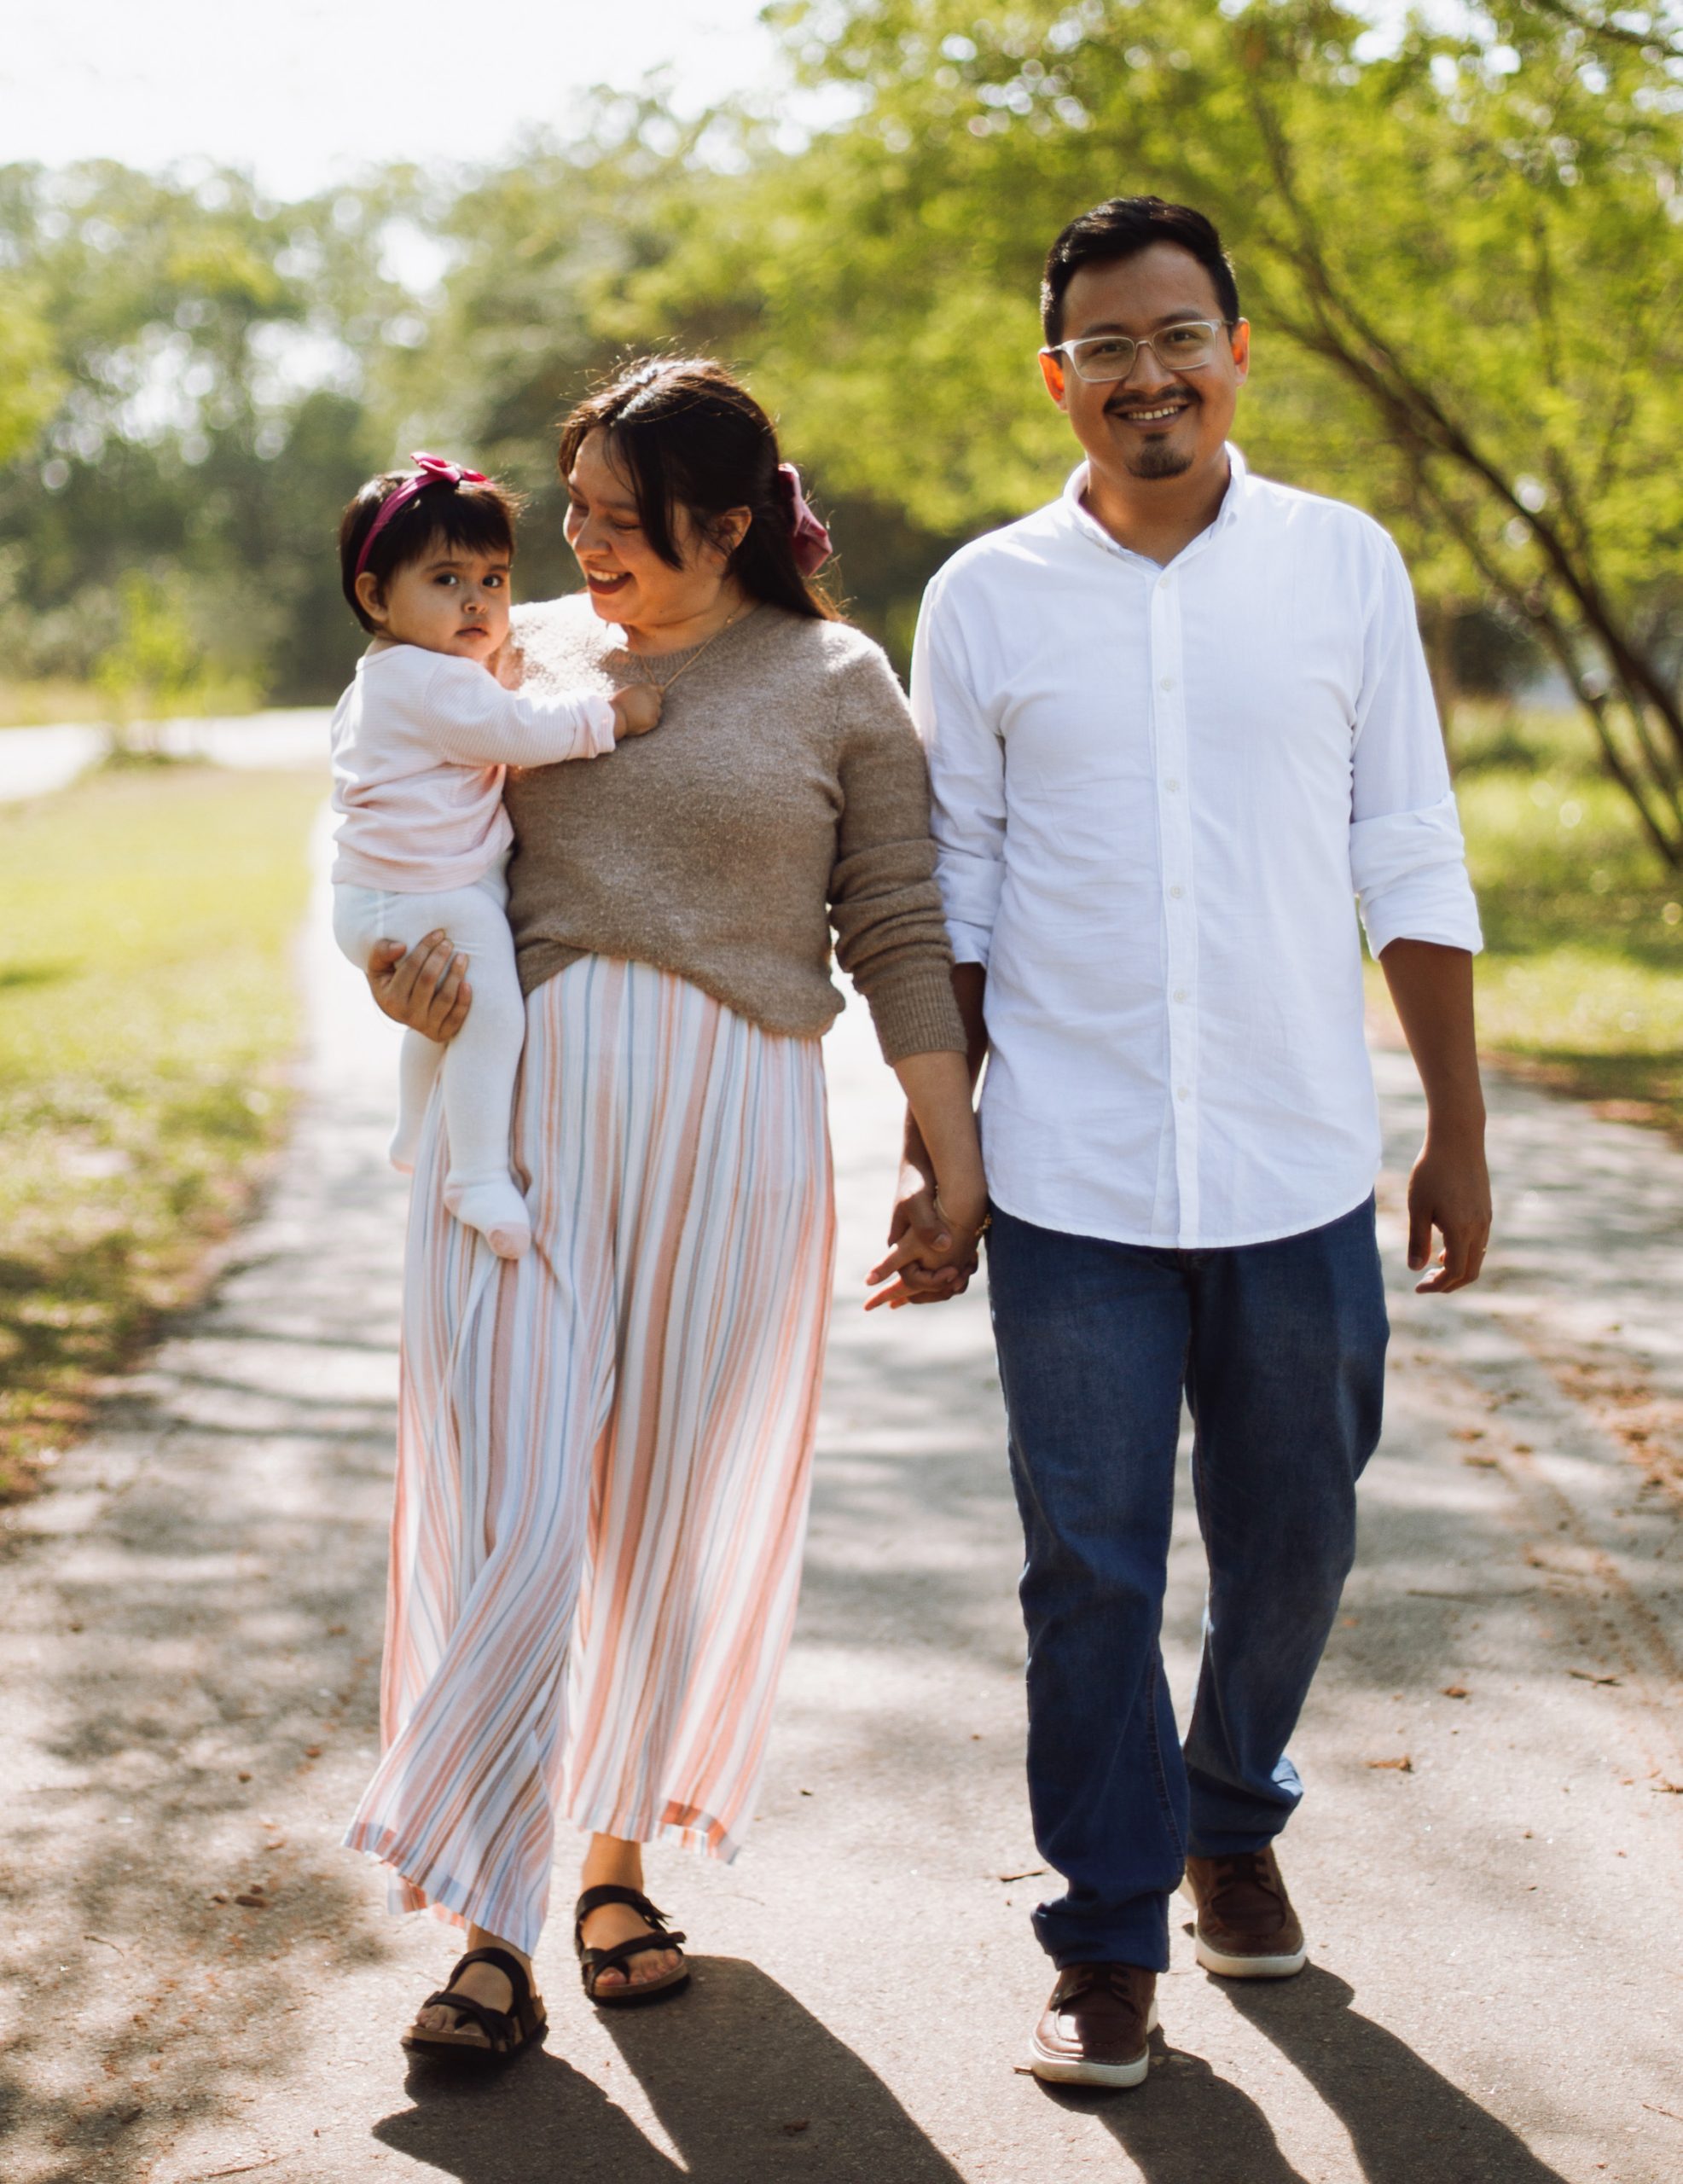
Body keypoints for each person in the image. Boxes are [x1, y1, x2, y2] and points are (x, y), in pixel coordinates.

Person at [899, 196, 1491, 2088]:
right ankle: (1105, 1930)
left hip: (1293, 1157)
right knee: (1083, 1565)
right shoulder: (982, 598)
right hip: (1067, 1168)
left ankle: (1231, 1806)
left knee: (1294, 1537)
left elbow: (1403, 847)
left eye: (1175, 335)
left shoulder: (1343, 567)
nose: (1140, 372)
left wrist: (1452, 1129)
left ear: (1234, 349)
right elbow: (955, 899)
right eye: (1102, 345)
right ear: (1053, 374)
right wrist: (946, 1146)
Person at [344, 359, 987, 2064]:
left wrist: (950, 1149)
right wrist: (398, 984)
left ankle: (607, 1865)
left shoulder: (837, 677)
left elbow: (898, 928)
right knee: (518, 1508)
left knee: (653, 1517)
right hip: (526, 1139)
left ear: (726, 524)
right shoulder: (511, 652)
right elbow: (404, 846)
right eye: (573, 514)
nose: (576, 547)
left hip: (736, 1141)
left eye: (619, 523)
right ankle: (487, 1912)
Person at [329, 455, 661, 1258]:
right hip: (426, 893)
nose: (477, 599)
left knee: (442, 1014)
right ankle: (474, 1174)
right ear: (376, 597)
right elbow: (520, 733)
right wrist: (611, 718)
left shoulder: (379, 678)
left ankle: (415, 1129)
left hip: (381, 896)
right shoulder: (437, 682)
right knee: (490, 1012)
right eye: (445, 580)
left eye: (494, 578)